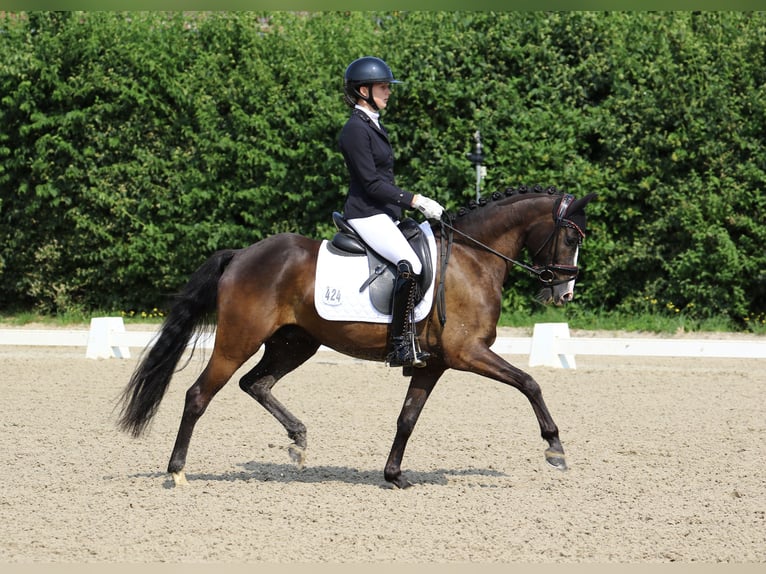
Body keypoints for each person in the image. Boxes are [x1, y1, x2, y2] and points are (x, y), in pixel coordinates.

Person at [339, 56, 444, 369]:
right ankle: (400, 345)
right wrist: (414, 200)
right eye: (383, 87)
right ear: (363, 90)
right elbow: (371, 183)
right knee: (410, 264)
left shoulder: (373, 124)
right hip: (366, 214)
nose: (389, 92)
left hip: (386, 213)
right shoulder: (354, 130)